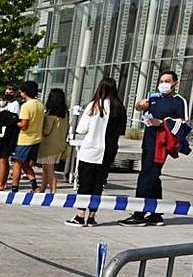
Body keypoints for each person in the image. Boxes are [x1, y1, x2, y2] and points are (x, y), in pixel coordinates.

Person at [120, 69, 190, 226]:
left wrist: (163, 123)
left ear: (175, 83)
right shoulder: (153, 97)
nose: (163, 84)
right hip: (148, 141)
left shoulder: (179, 101)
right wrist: (140, 105)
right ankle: (156, 213)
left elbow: (182, 123)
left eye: (167, 81)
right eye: (161, 81)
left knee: (146, 176)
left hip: (162, 144)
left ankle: (139, 213)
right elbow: (139, 108)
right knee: (153, 177)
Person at [69, 77, 128, 226]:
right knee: (98, 185)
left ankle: (80, 216)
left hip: (90, 150)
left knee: (85, 184)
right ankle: (92, 217)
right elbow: (121, 132)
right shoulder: (119, 108)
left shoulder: (94, 105)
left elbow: (81, 129)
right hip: (108, 151)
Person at [8, 81, 44, 192]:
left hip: (25, 139)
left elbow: (24, 125)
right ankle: (34, 185)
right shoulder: (40, 104)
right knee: (25, 163)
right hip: (36, 138)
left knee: (17, 163)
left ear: (25, 92)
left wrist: (14, 121)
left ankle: (14, 187)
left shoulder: (26, 106)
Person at [38, 88, 69, 195]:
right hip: (60, 144)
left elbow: (46, 131)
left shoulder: (50, 115)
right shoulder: (65, 114)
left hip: (49, 146)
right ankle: (42, 188)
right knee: (46, 169)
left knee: (48, 170)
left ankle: (53, 190)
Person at [0, 85, 21, 189]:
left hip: (9, 134)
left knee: (3, 159)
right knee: (2, 158)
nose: (8, 92)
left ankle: (1, 183)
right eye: (7, 90)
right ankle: (1, 182)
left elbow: (12, 119)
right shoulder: (5, 104)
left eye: (11, 90)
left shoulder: (15, 104)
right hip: (2, 133)